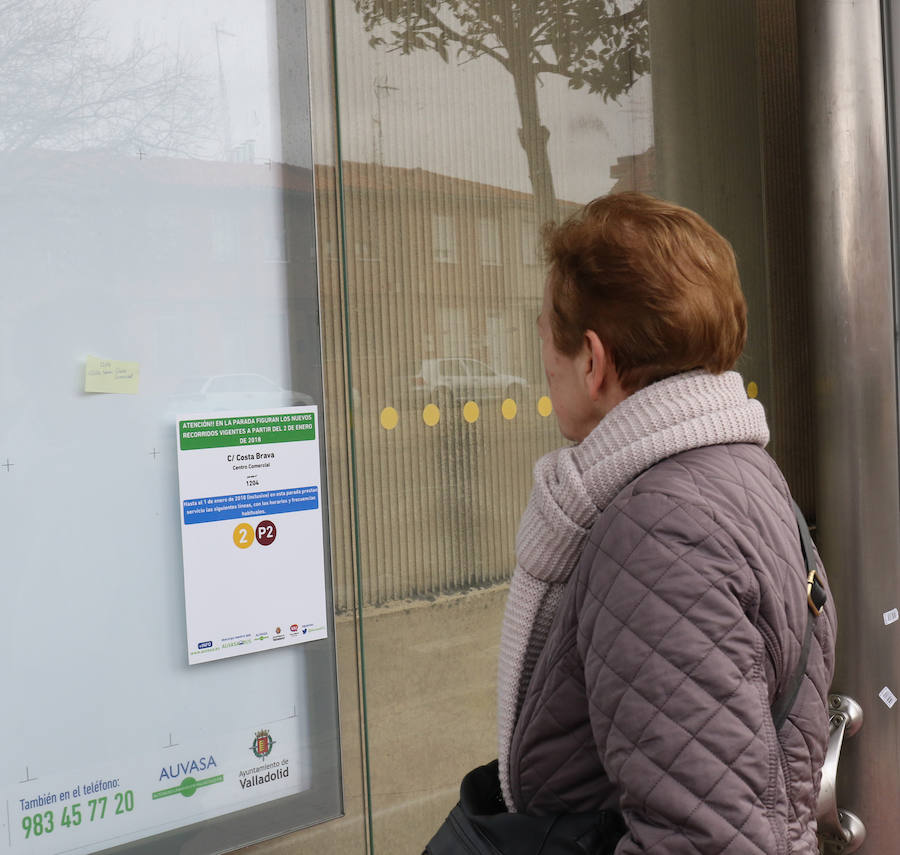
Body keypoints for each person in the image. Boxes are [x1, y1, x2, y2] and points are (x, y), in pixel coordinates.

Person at [496, 192, 836, 852]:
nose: (543, 359)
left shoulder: (660, 533)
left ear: (592, 360)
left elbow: (703, 839)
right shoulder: (739, 467)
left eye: (544, 333)